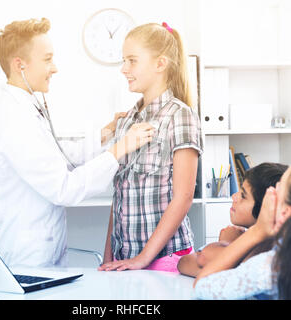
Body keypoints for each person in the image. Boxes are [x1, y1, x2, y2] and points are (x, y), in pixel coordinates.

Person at [0, 18, 155, 268]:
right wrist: (120, 149)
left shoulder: (26, 107)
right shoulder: (15, 119)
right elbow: (64, 189)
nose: (54, 68)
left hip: (41, 247)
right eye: (47, 59)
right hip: (27, 255)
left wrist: (106, 133)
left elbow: (57, 154)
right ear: (19, 65)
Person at [98, 22, 203, 273]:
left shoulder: (180, 115)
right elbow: (120, 195)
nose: (124, 69)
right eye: (124, 61)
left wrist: (144, 258)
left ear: (160, 63)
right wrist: (108, 254)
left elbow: (184, 197)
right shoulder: (127, 121)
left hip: (165, 259)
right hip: (126, 258)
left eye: (132, 61)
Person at [194, 165, 291, 300]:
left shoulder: (273, 264)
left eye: (275, 193)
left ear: (284, 212)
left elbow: (201, 288)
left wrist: (254, 233)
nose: (234, 196)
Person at [178, 162, 288, 277]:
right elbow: (184, 262)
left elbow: (202, 258)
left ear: (266, 207)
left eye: (243, 196)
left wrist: (228, 244)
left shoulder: (270, 250)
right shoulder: (243, 237)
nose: (234, 196)